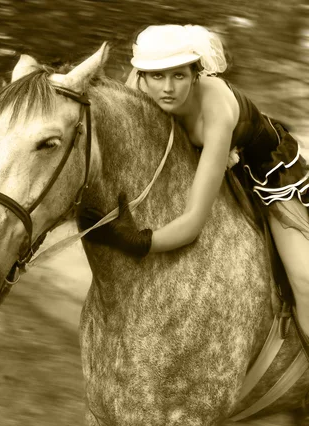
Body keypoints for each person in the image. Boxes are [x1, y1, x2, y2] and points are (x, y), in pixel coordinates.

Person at [79, 24, 309, 353]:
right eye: (157, 76)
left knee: (304, 280)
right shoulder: (138, 89)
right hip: (210, 158)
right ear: (140, 76)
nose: (168, 88)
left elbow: (192, 223)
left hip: (270, 173)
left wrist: (136, 240)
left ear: (195, 73)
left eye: (179, 76)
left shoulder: (217, 112)